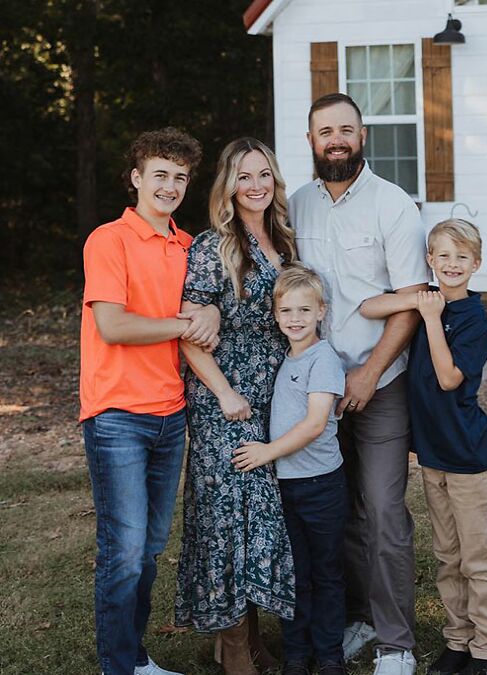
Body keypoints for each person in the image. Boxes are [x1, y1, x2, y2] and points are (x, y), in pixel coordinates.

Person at [289, 92, 430, 675]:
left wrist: (370, 374)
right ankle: (357, 619)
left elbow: (412, 300)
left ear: (363, 136)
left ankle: (397, 643)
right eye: (326, 132)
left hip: (380, 382)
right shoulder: (296, 206)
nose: (336, 140)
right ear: (312, 141)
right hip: (318, 387)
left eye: (346, 129)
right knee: (337, 509)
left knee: (382, 509)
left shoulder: (393, 206)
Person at [80, 127, 215, 675]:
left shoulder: (188, 246)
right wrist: (186, 321)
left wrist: (211, 314)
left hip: (171, 414)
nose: (171, 186)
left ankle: (135, 659)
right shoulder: (108, 239)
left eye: (180, 177)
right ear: (136, 179)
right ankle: (120, 666)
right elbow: (112, 325)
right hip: (117, 415)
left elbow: (206, 311)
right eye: (160, 174)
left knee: (150, 549)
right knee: (124, 551)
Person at [361, 219, 487, 675]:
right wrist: (416, 301)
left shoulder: (473, 320)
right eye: (442, 255)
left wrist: (429, 317)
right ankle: (458, 639)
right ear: (430, 259)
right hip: (433, 456)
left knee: (476, 556)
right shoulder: (427, 298)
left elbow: (448, 378)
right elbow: (368, 306)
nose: (451, 264)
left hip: (467, 456)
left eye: (462, 257)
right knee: (447, 555)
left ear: (476, 264)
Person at [173, 137, 298, 674]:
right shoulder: (212, 245)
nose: (256, 185)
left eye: (264, 174)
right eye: (244, 176)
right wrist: (226, 394)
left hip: (275, 397)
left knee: (260, 520)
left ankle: (246, 642)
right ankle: (235, 652)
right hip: (225, 401)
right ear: (229, 184)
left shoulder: (284, 242)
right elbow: (188, 331)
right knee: (228, 521)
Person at [232, 264, 349, 675]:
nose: (295, 319)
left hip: (321, 484)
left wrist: (266, 453)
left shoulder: (324, 360)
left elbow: (315, 424)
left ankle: (330, 655)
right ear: (276, 314)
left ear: (322, 311)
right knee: (294, 573)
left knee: (327, 573)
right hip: (286, 487)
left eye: (304, 310)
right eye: (287, 311)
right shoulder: (283, 359)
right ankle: (297, 655)